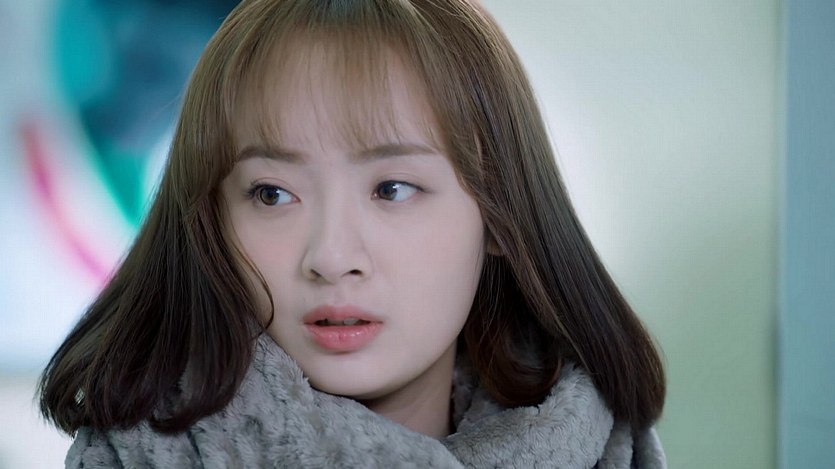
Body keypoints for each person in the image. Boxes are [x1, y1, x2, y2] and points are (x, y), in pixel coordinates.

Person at [38, 0, 667, 467]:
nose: (332, 257)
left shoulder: (608, 448)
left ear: (500, 212)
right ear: (211, 225)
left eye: (392, 189)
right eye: (273, 194)